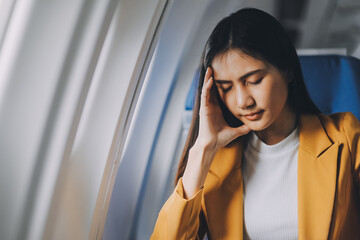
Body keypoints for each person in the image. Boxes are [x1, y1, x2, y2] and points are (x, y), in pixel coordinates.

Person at [150, 8, 360, 240]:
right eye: (226, 88)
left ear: (287, 70)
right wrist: (202, 149)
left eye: (253, 81)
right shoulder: (215, 160)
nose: (243, 102)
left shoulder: (344, 136)